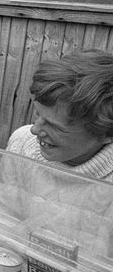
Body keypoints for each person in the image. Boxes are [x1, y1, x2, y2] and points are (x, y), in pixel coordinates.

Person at [6, 50, 113, 181]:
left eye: (54, 126)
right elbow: (0, 199)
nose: (34, 130)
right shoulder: (21, 143)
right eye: (37, 113)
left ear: (107, 134)